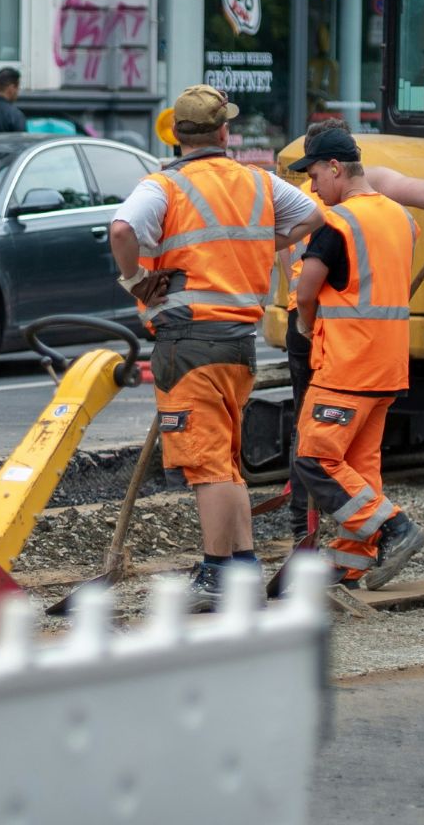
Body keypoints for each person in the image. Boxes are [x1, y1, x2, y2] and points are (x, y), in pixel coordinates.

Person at [108, 85, 322, 611]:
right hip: (238, 342)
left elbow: (120, 229)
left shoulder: (163, 186)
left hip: (189, 340)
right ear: (224, 131)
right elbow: (314, 216)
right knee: (225, 463)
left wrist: (135, 280)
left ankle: (216, 573)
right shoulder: (258, 182)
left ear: (176, 134)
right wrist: (257, 246)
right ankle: (244, 567)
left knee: (205, 466)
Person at [280, 117, 424, 546]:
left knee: (313, 452)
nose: (312, 183)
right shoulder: (398, 216)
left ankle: (389, 528)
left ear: (334, 166)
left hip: (340, 354)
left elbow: (304, 290)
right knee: (362, 462)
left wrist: (305, 327)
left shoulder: (331, 218)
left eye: (315, 173)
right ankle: (352, 561)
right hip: (387, 361)